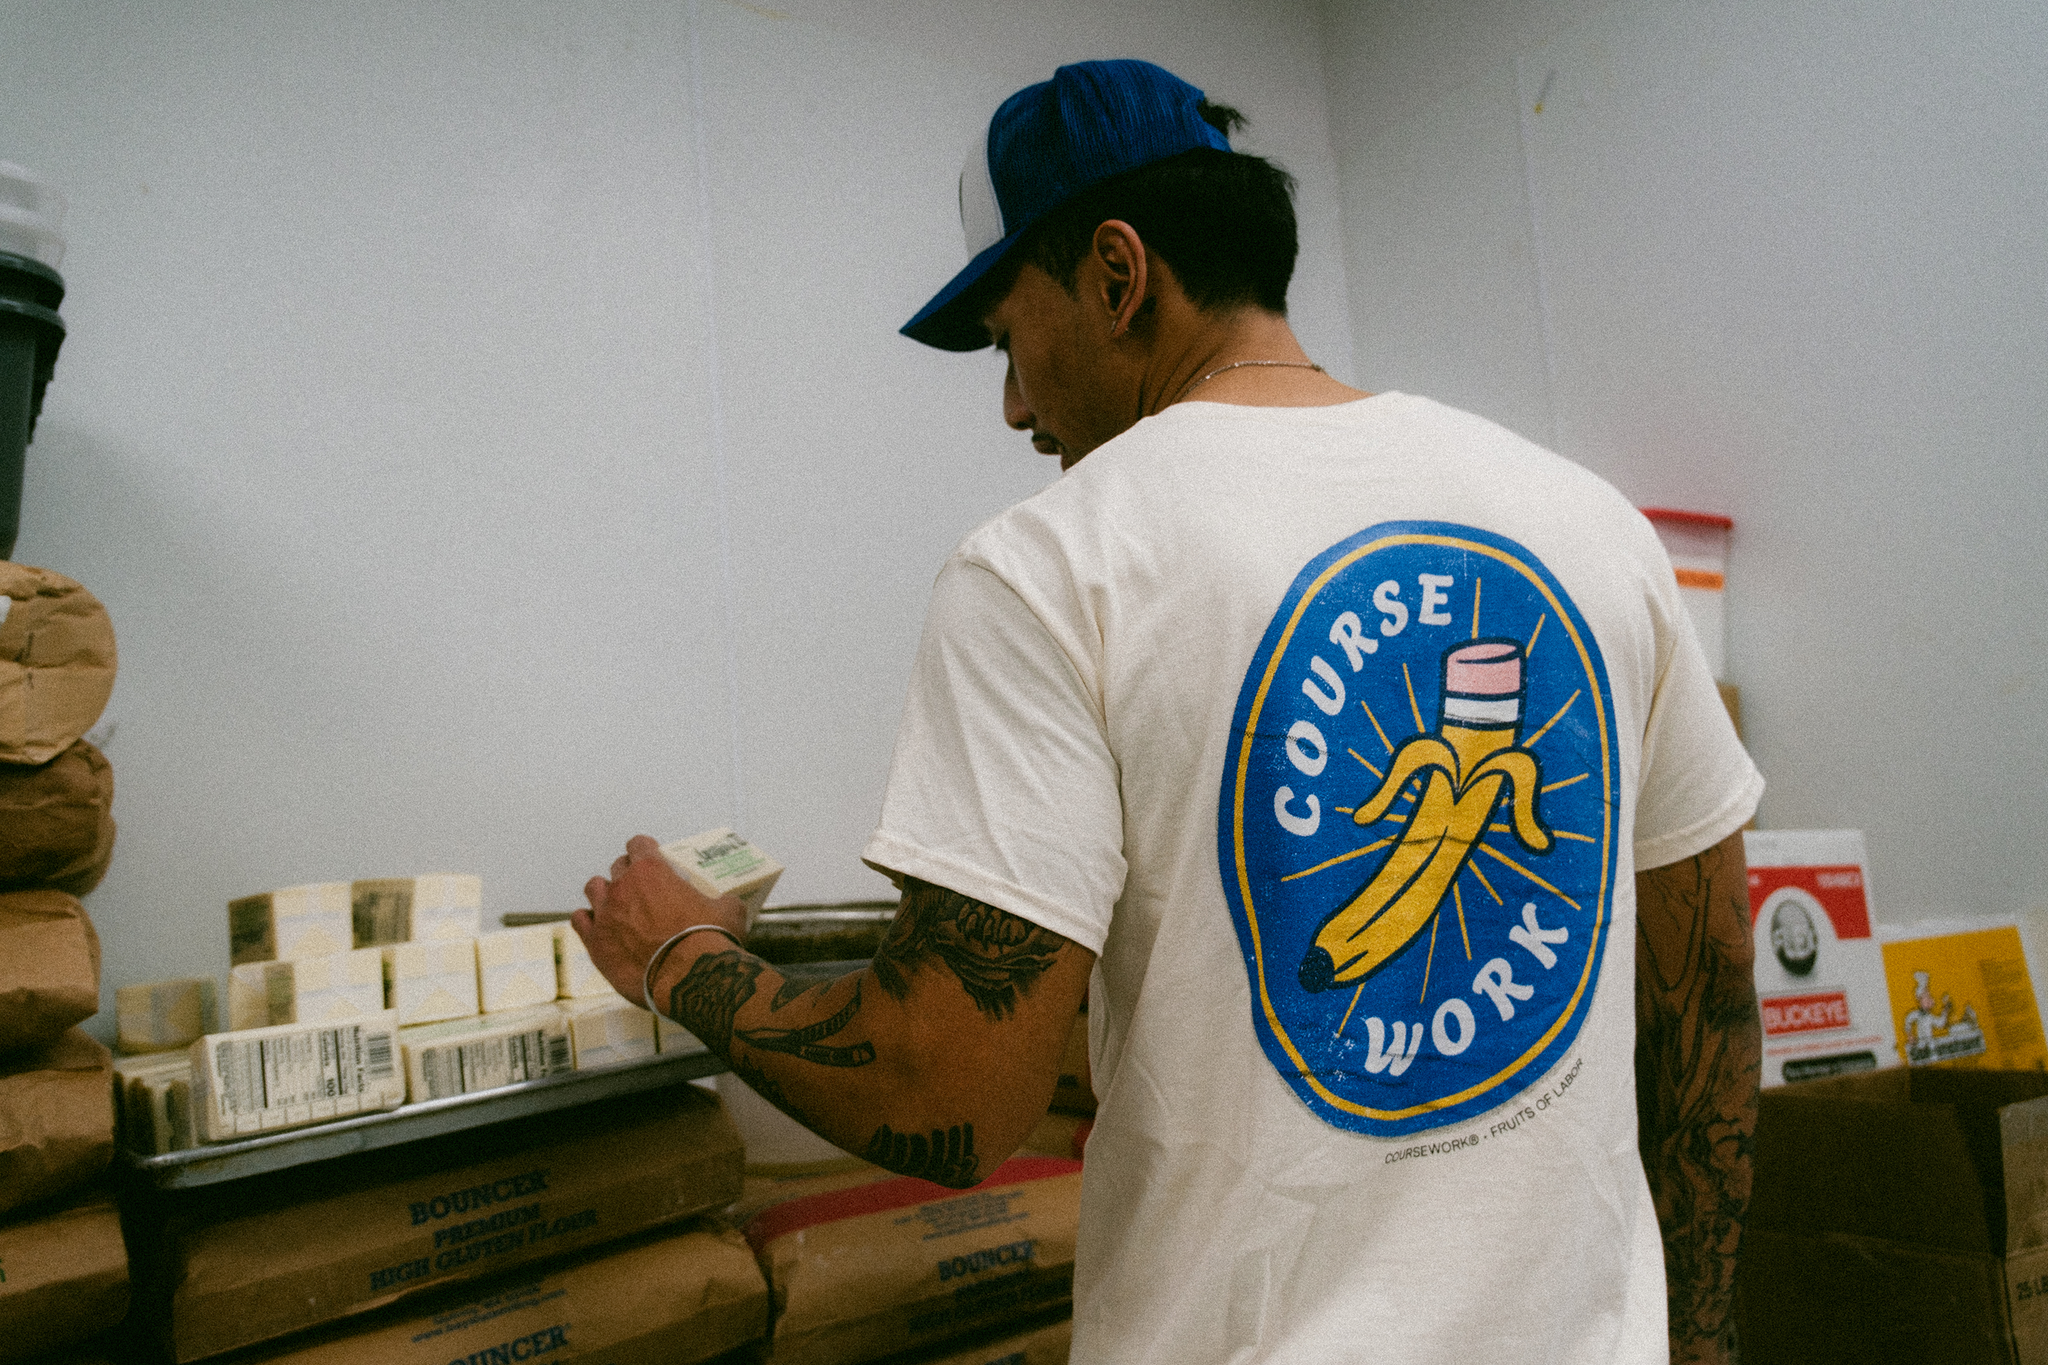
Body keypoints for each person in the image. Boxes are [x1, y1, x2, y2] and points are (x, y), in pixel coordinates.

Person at [575, 59, 1763, 1365]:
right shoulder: (1591, 525)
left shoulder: (1053, 565)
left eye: (1009, 338)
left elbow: (944, 1092)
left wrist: (677, 959)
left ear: (1118, 274)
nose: (1015, 402)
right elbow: (1706, 1012)